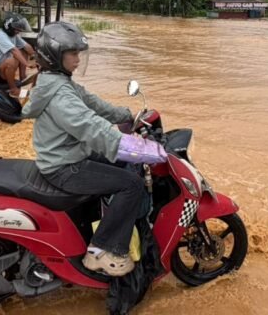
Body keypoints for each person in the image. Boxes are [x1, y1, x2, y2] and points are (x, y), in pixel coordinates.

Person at [23, 22, 167, 277]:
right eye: (73, 54)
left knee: (122, 166)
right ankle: (102, 250)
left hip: (68, 155)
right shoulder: (60, 96)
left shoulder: (55, 82)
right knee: (131, 184)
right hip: (65, 167)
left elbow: (93, 104)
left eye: (79, 53)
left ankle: (109, 222)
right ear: (55, 56)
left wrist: (128, 115)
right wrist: (134, 146)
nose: (78, 59)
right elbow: (91, 127)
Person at [0, 13, 34, 98]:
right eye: (17, 29)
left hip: (3, 69)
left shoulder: (13, 35)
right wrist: (28, 64)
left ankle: (23, 78)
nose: (18, 32)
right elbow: (14, 51)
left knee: (23, 51)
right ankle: (13, 89)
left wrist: (37, 58)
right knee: (12, 60)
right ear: (8, 26)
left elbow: (27, 46)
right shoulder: (0, 35)